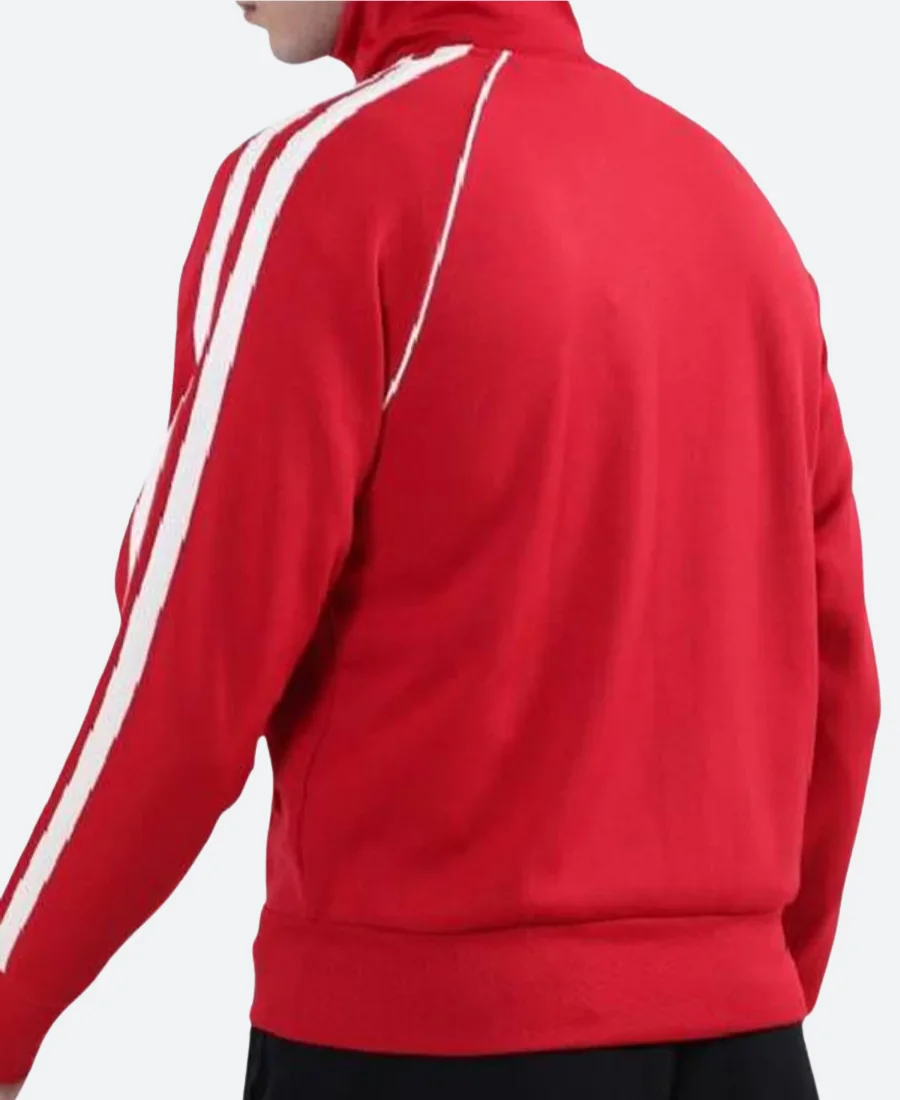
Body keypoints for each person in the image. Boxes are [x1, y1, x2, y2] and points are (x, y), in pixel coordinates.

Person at [0, 2, 881, 1097]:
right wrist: (736, 987)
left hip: (431, 1042)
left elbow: (186, 679)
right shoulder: (737, 208)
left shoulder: (335, 181)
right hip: (749, 1045)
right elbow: (840, 680)